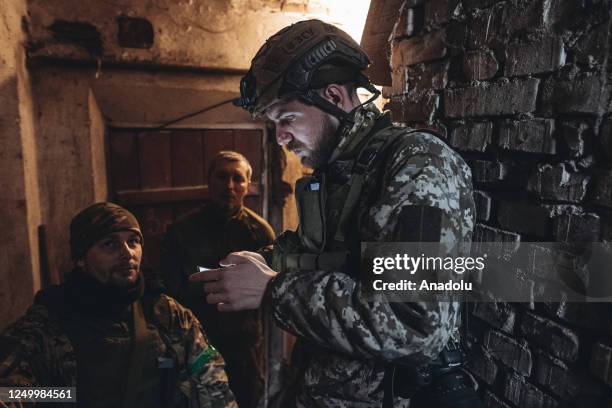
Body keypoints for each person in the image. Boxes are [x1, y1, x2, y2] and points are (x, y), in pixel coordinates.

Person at [190, 20, 481, 407]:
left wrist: (272, 288)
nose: (280, 137)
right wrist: (258, 263)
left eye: (287, 118)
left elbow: (414, 323)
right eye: (274, 124)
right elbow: (324, 258)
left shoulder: (418, 165)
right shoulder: (340, 174)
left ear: (333, 96)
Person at [0, 202, 236, 408]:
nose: (127, 253)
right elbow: (8, 392)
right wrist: (64, 397)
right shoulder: (46, 324)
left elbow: (212, 383)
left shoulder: (166, 314)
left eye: (133, 241)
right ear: (81, 258)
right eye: (110, 245)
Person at [162, 151, 275, 408]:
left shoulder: (260, 232)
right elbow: (171, 289)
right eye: (222, 176)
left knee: (247, 399)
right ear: (209, 180)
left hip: (244, 344)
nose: (230, 186)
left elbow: (270, 291)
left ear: (248, 185)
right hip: (197, 342)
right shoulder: (182, 229)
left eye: (238, 178)